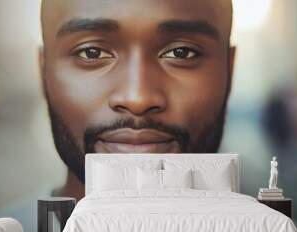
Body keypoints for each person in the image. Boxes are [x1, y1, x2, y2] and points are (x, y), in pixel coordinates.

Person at [40, 0, 235, 200]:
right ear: (43, 72)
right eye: (92, 52)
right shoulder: (14, 231)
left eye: (181, 53)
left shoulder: (266, 229)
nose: (138, 99)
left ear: (229, 69)